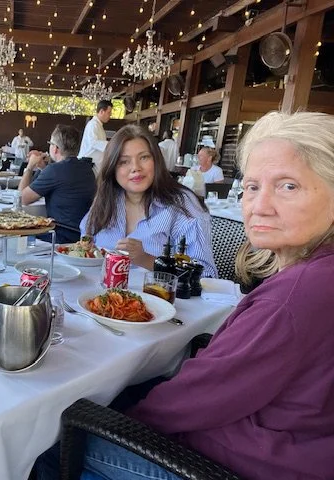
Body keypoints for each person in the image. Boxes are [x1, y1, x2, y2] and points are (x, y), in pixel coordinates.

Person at [39, 110, 334, 480]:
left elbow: (203, 394)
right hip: (279, 436)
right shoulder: (105, 202)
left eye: (288, 186)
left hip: (232, 460)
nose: (260, 206)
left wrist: (121, 422)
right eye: (252, 187)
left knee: (51, 443)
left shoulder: (291, 298)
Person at [80, 124, 217, 277]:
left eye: (144, 157)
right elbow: (84, 247)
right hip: (101, 290)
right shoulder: (107, 198)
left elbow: (206, 275)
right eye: (124, 161)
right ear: (112, 168)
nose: (135, 168)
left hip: (158, 292)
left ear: (156, 160)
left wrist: (148, 261)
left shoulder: (182, 204)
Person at [19, 125, 96, 243]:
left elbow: (21, 199)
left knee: (18, 233)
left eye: (50, 143)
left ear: (55, 149)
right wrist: (43, 168)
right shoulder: (87, 169)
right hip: (82, 236)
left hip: (59, 236)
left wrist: (29, 166)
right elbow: (63, 182)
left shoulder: (54, 171)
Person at [77, 99, 113, 171]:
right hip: (87, 164)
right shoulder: (93, 124)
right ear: (101, 111)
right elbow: (93, 142)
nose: (110, 115)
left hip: (94, 164)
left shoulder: (98, 125)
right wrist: (111, 144)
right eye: (109, 112)